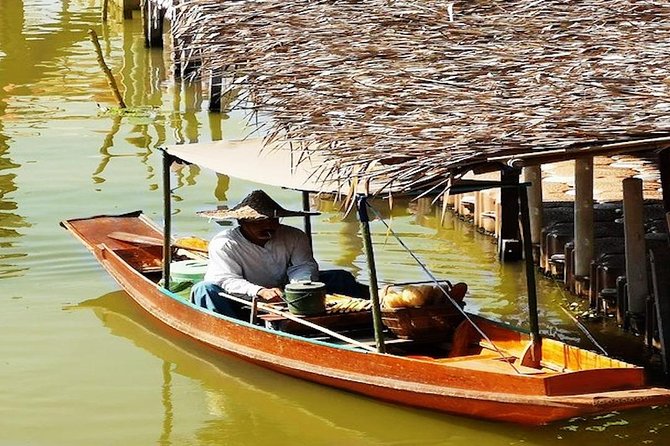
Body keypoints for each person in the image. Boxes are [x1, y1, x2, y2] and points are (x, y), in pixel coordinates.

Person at [191, 190, 367, 318]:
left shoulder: (294, 236)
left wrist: (299, 287)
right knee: (204, 290)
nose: (268, 226)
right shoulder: (224, 243)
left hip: (285, 292)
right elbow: (225, 280)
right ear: (242, 222)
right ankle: (235, 329)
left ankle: (364, 318)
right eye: (259, 222)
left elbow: (304, 265)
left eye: (272, 220)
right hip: (240, 298)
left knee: (340, 277)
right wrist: (259, 291)